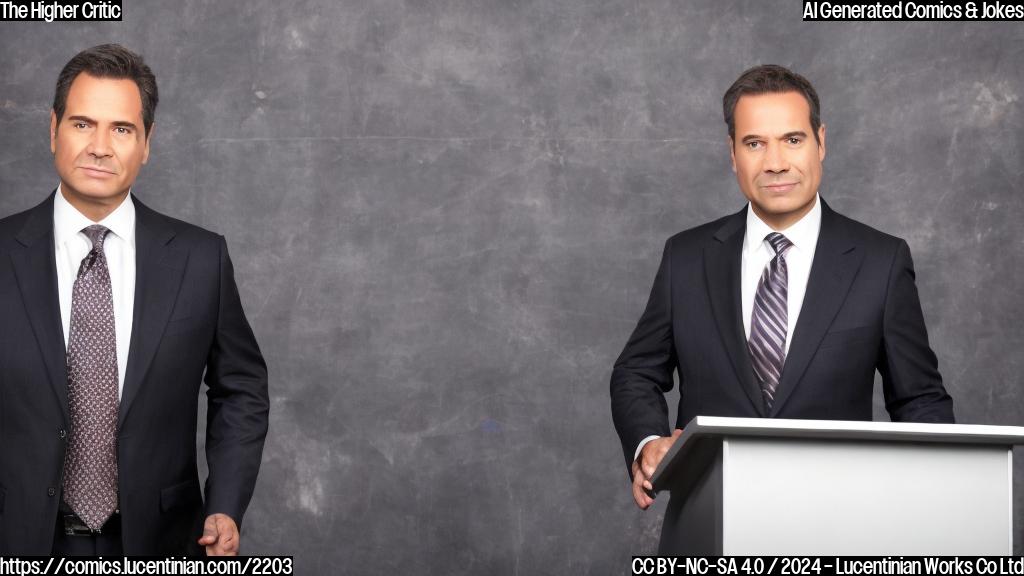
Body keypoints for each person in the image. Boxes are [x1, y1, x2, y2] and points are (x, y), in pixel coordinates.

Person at [610, 64, 954, 513]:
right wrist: (649, 443)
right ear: (733, 154)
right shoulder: (686, 257)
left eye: (793, 139)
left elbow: (919, 399)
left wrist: (938, 505)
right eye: (755, 143)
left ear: (821, 142)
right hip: (707, 521)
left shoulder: (880, 261)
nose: (775, 163)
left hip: (841, 524)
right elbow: (636, 371)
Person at [0, 44, 269, 556]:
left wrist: (226, 504)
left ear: (146, 143)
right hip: (18, 542)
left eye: (121, 129)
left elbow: (241, 388)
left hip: (160, 543)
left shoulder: (200, 259)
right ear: (52, 128)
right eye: (82, 124)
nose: (100, 146)